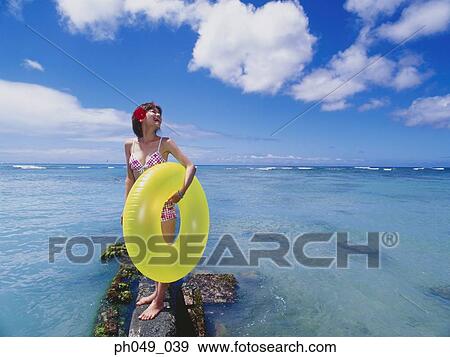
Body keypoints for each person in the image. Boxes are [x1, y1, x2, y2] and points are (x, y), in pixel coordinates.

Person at [122, 101, 196, 320]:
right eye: (153, 111)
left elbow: (190, 166)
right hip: (143, 210)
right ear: (140, 117)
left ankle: (159, 300)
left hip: (164, 207)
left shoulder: (165, 143)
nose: (158, 115)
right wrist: (126, 208)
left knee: (162, 251)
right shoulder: (129, 146)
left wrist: (181, 193)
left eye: (160, 113)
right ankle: (156, 292)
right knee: (150, 251)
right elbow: (130, 178)